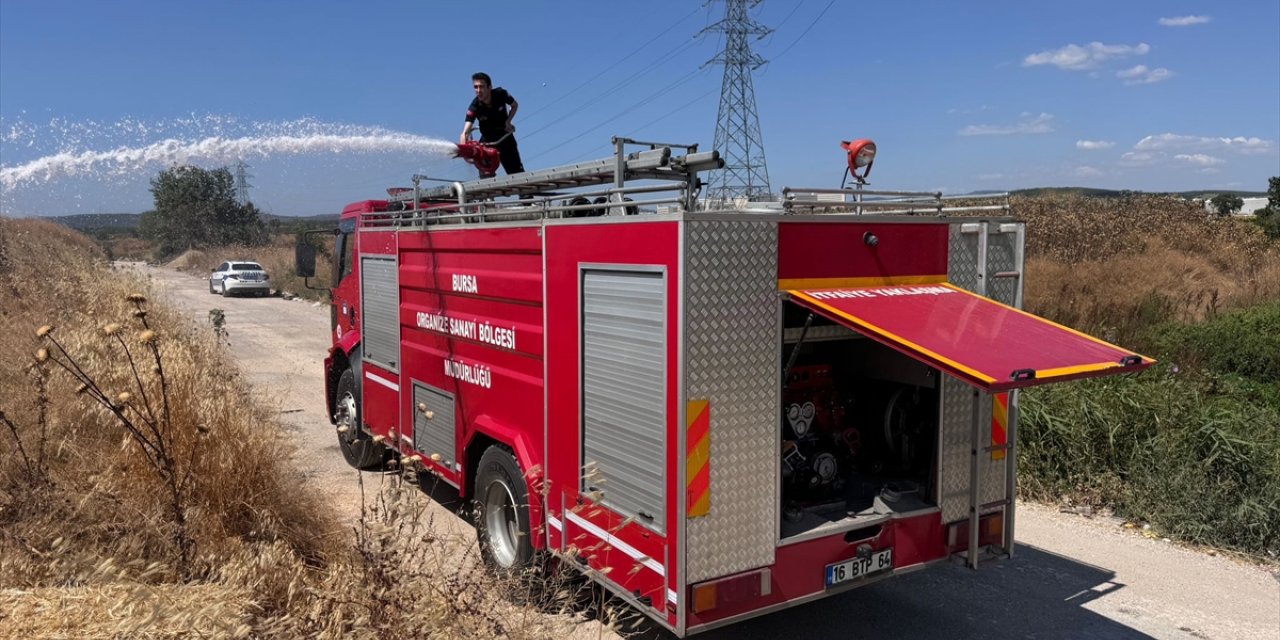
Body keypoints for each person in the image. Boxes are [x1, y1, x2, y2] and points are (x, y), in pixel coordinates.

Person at [460, 72, 525, 176]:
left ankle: (527, 192)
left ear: (489, 87)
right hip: (487, 142)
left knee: (517, 174)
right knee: (485, 172)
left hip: (504, 138)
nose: (478, 91)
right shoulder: (475, 106)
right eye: (475, 87)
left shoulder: (501, 94)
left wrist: (508, 121)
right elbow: (465, 133)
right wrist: (465, 151)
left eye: (481, 87)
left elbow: (514, 105)